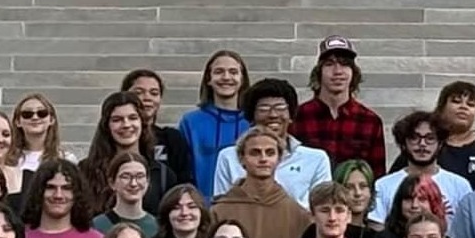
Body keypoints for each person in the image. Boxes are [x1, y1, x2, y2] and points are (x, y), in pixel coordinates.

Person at [211, 127, 314, 238]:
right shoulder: (220, 211)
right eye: (255, 153)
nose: (263, 159)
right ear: (241, 159)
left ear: (279, 158)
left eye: (270, 152)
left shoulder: (299, 215)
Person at [213, 79, 334, 203]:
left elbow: (322, 208)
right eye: (264, 108)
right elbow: (222, 206)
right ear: (252, 117)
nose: (273, 115)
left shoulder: (316, 159)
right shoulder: (228, 157)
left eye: (280, 108)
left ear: (291, 115)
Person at [292, 36, 385, 176]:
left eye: (345, 64)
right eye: (330, 64)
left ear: (353, 72)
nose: (338, 71)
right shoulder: (297, 116)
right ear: (319, 72)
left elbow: (377, 176)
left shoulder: (370, 121)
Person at [370, 111, 472, 226]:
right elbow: (376, 227)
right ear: (403, 143)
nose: (422, 144)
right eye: (414, 138)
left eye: (430, 138)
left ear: (440, 144)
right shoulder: (383, 185)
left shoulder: (460, 185)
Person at [79, 92, 171, 217]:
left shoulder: (162, 174)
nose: (126, 125)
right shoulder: (86, 170)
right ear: (107, 126)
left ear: (142, 123)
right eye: (117, 120)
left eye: (133, 118)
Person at [181, 50, 251, 203]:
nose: (226, 77)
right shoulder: (191, 122)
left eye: (233, 72)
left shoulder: (252, 122)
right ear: (208, 79)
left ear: (242, 79)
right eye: (219, 72)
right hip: (203, 208)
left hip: (245, 206)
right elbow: (184, 172)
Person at [121, 67, 195, 187]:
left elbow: (184, 183)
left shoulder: (171, 138)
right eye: (139, 92)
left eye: (154, 93)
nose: (147, 98)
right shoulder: (117, 136)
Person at [435, 81, 475, 188]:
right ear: (441, 108)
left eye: (470, 105)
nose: (463, 107)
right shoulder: (427, 144)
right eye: (456, 102)